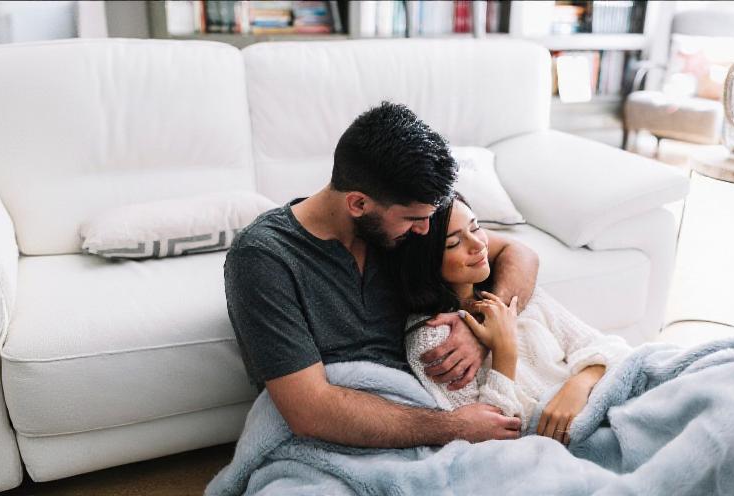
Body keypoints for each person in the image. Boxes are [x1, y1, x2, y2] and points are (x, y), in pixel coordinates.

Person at [224, 102, 541, 447]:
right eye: (413, 219)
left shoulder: (407, 217)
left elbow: (519, 253)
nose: (425, 230)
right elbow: (309, 411)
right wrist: (456, 428)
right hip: (351, 431)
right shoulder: (264, 258)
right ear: (358, 204)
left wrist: (480, 327)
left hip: (425, 403)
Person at [391, 197, 630, 445]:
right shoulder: (434, 337)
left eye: (475, 228)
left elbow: (612, 348)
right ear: (425, 261)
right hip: (566, 442)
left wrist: (580, 384)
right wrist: (504, 352)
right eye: (454, 243)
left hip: (602, 401)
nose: (478, 245)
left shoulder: (515, 293)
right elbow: (488, 435)